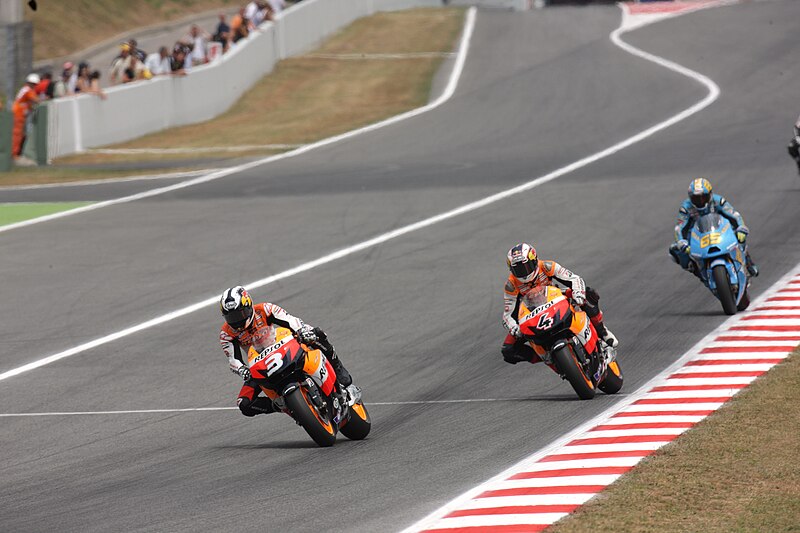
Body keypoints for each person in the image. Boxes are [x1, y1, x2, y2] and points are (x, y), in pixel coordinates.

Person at [218, 286, 356, 417]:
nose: (237, 321)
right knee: (244, 404)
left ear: (249, 306)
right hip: (260, 364)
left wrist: (301, 330)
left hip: (282, 346)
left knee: (317, 334)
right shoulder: (226, 333)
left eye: (240, 314)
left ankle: (343, 377)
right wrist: (243, 370)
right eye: (231, 318)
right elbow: (233, 360)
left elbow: (290, 320)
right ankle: (280, 405)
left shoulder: (265, 309)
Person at [501, 243, 617, 365]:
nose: (523, 272)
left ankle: (602, 332)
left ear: (534, 261)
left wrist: (578, 293)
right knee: (508, 350)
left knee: (589, 294)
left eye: (526, 266)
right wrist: (514, 328)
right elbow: (507, 314)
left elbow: (574, 278)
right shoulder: (511, 285)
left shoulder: (547, 266)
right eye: (518, 269)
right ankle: (547, 357)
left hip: (555, 298)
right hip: (531, 313)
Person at [669, 178, 758, 277]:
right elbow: (679, 227)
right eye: (696, 198)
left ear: (710, 194)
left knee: (739, 235)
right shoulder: (686, 207)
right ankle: (695, 269)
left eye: (704, 197)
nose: (700, 201)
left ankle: (746, 260)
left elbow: (734, 214)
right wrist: (681, 242)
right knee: (675, 250)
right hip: (698, 234)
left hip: (720, 229)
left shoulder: (718, 200)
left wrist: (741, 227)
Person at [11, 73, 40, 157]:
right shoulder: (28, 90)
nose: (34, 86)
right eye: (33, 84)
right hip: (18, 114)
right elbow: (36, 100)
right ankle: (14, 154)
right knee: (17, 134)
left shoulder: (26, 89)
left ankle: (16, 153)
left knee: (21, 134)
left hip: (20, 114)